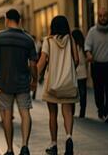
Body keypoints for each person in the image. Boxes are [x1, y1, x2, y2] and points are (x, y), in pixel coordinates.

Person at [0, 9, 38, 155]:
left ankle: (10, 149)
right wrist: (34, 80)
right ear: (19, 20)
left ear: (6, 19)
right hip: (23, 83)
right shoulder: (28, 39)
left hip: (3, 83)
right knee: (25, 113)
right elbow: (33, 64)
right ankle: (24, 146)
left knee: (6, 115)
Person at [37, 16, 79, 155]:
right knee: (67, 112)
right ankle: (69, 138)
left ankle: (53, 144)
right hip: (68, 83)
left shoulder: (48, 41)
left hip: (52, 85)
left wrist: (33, 76)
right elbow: (77, 60)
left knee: (52, 114)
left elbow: (42, 62)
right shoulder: (71, 40)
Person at [84, 8, 108, 122]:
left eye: (104, 15)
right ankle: (101, 108)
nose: (102, 18)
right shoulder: (92, 31)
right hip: (97, 66)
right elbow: (87, 46)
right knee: (98, 90)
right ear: (97, 17)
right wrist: (89, 54)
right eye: (100, 16)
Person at [72, 29, 88, 118]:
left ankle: (73, 111)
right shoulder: (83, 46)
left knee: (74, 93)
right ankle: (82, 112)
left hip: (75, 73)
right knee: (83, 93)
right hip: (83, 73)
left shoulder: (73, 47)